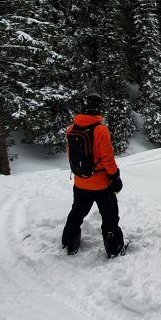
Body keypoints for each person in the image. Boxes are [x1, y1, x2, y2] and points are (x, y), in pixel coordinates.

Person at [61, 92, 127, 258]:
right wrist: (115, 177)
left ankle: (69, 242)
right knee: (110, 215)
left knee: (77, 212)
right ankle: (115, 247)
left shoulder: (71, 129)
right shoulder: (100, 130)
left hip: (80, 182)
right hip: (100, 183)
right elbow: (107, 159)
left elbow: (70, 156)